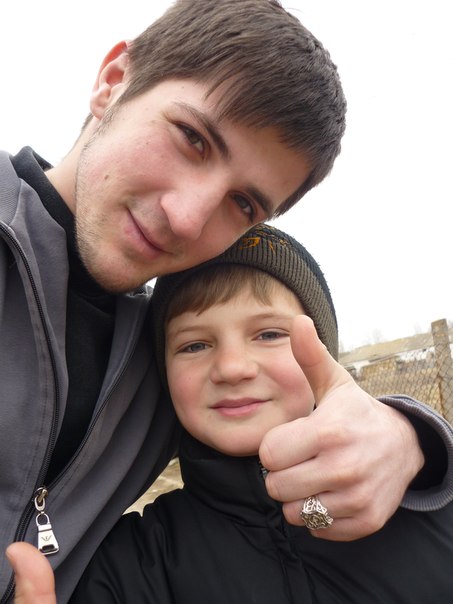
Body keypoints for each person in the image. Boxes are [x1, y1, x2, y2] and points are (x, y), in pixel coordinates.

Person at [1, 1, 452, 602]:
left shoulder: (152, 363)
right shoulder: (149, 559)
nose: (187, 219)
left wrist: (412, 441)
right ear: (113, 81)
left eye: (243, 204)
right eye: (192, 138)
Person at [9, 223, 453, 603]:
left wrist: (420, 442)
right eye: (194, 345)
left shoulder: (426, 497)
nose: (232, 368)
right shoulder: (133, 565)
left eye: (269, 334)